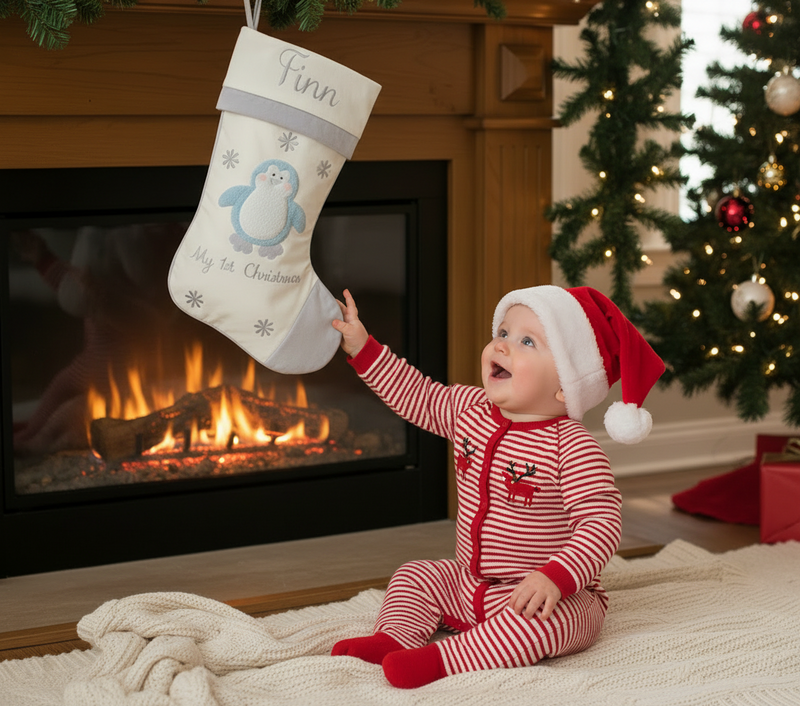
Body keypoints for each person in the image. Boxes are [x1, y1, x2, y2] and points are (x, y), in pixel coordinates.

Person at [330, 285, 665, 689]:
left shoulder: (571, 446)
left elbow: (600, 524)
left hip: (547, 594)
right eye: (503, 332)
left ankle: (444, 659)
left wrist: (555, 578)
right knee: (416, 574)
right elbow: (416, 394)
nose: (502, 346)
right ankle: (393, 638)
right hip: (470, 583)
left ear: (566, 385)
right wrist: (363, 347)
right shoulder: (470, 409)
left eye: (527, 341)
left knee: (548, 625)